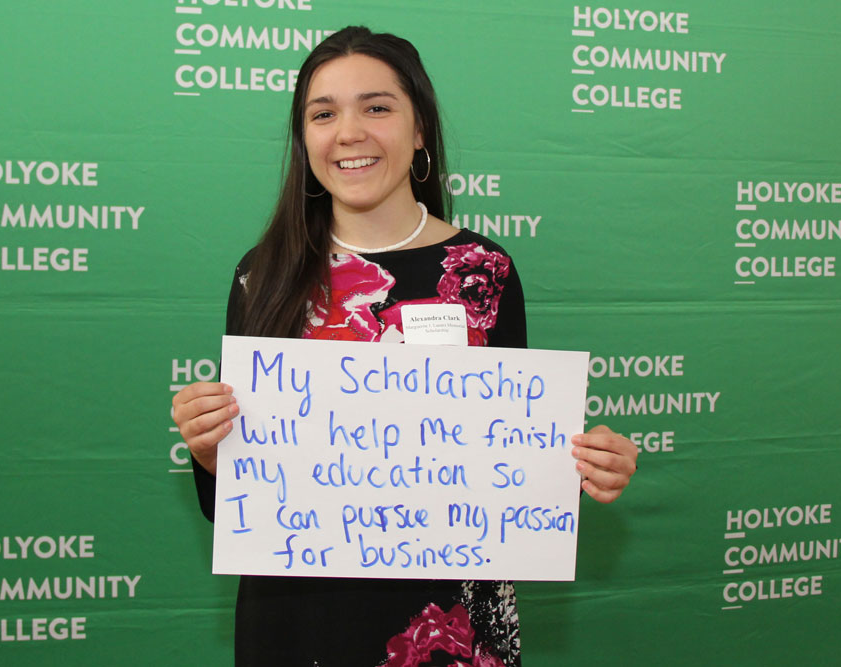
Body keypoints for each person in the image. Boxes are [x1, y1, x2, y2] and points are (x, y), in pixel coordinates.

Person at [172, 26, 638, 666]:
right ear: (304, 137)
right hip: (298, 627)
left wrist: (585, 470)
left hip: (452, 630)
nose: (349, 132)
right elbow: (233, 501)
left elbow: (511, 466)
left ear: (420, 129)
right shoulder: (263, 274)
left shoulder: (484, 270)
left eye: (378, 107)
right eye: (323, 113)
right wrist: (208, 447)